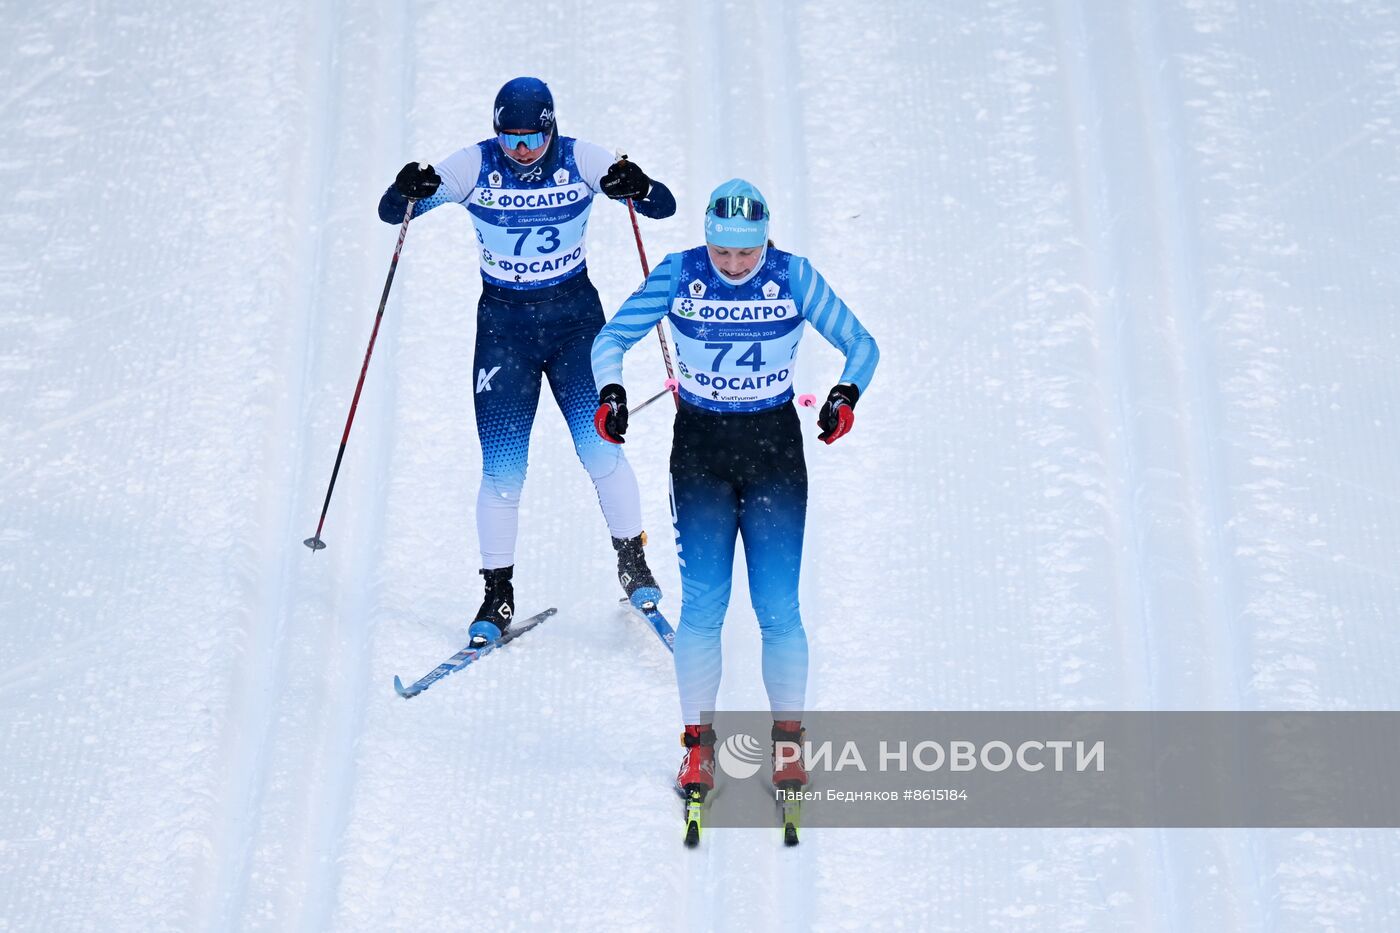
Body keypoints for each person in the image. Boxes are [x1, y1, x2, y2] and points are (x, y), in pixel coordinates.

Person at [590, 179, 879, 796]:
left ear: (764, 241)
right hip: (700, 454)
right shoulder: (679, 274)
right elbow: (610, 337)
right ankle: (698, 748)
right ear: (707, 240)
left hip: (774, 452)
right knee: (703, 608)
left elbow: (861, 344)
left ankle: (788, 745)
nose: (734, 265)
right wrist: (611, 391)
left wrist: (844, 395)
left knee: (778, 610)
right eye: (723, 252)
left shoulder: (794, 275)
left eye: (745, 253)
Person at [379, 77, 676, 647]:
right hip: (504, 331)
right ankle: (497, 593)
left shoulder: (579, 158)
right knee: (502, 471)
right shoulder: (474, 165)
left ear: (550, 126)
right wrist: (405, 188)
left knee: (602, 451)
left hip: (575, 326)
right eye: (508, 138)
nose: (519, 151)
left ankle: (633, 563)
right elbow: (397, 213)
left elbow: (661, 207)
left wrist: (637, 185)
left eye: (530, 138)